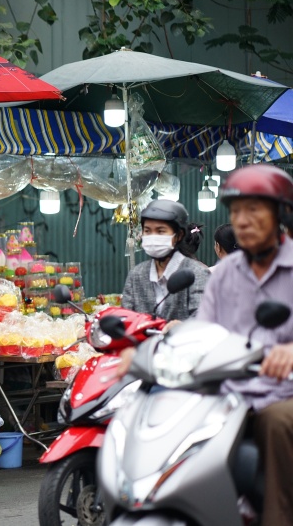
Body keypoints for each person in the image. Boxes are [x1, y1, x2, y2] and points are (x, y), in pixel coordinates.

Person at [194, 164, 293, 526]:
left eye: (254, 210)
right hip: (230, 393)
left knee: (278, 422)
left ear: (280, 214)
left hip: (282, 395)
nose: (243, 220)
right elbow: (202, 332)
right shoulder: (222, 276)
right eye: (236, 212)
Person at [121, 199, 211, 320]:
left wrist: (181, 327)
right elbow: (125, 317)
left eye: (160, 231)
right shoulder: (136, 275)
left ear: (178, 235)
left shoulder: (197, 273)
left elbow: (204, 318)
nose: (153, 237)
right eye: (147, 231)